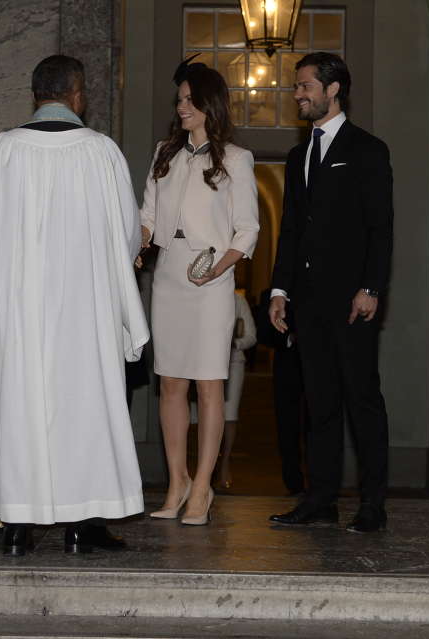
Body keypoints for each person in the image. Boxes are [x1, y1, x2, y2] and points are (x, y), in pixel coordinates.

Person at [0, 55, 149, 556]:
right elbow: (128, 232)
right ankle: (81, 526)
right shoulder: (101, 152)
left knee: (20, 409)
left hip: (20, 309)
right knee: (83, 410)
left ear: (35, 95)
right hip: (83, 313)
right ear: (78, 95)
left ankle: (18, 528)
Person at [268, 52, 393, 534]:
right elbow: (293, 228)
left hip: (352, 303)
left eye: (304, 86)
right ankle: (320, 499)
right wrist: (280, 290)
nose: (297, 94)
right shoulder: (299, 155)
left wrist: (371, 287)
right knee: (318, 403)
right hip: (307, 303)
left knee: (362, 400)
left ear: (333, 89)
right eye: (297, 87)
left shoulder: (367, 149)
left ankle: (373, 504)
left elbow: (381, 227)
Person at [140, 58, 259, 525]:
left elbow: (248, 230)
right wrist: (140, 243)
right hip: (169, 273)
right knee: (171, 383)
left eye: (189, 99)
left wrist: (216, 272)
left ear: (209, 104)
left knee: (210, 385)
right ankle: (177, 482)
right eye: (179, 99)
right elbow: (148, 212)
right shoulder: (163, 153)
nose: (181, 106)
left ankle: (203, 487)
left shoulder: (235, 158)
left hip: (212, 279)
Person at [254, 288, 306, 496]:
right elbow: (263, 333)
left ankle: (320, 482)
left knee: (318, 424)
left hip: (320, 366)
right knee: (287, 425)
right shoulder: (270, 295)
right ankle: (294, 483)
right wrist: (290, 338)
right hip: (287, 366)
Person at [214, 290, 257, 490]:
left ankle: (224, 464)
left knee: (229, 416)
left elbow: (251, 336)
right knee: (207, 414)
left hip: (233, 363)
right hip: (207, 362)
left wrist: (235, 343)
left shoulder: (238, 300)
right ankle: (208, 464)